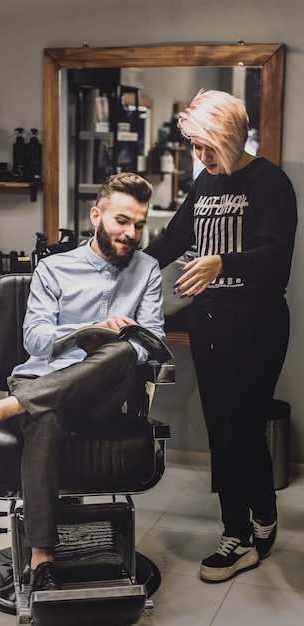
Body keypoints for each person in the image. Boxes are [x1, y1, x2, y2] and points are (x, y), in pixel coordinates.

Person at [0, 172, 165, 592]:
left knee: (124, 348)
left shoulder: (147, 269)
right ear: (96, 215)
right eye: (122, 221)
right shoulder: (54, 268)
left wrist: (114, 341)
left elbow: (151, 343)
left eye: (139, 224)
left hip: (101, 399)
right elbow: (36, 339)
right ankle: (41, 557)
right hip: (43, 380)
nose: (131, 233)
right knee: (43, 417)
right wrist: (86, 331)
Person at [145, 89, 297, 583]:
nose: (200, 157)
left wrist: (221, 263)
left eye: (207, 146)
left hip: (255, 322)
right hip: (206, 321)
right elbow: (170, 241)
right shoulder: (205, 184)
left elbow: (276, 261)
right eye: (195, 147)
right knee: (219, 430)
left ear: (230, 137)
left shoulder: (270, 182)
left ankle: (263, 518)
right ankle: (236, 530)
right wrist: (115, 264)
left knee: (242, 428)